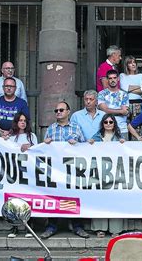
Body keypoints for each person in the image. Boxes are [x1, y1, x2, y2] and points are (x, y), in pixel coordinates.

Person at [40, 101, 90, 239]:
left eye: (61, 110)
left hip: (72, 171)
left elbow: (85, 148)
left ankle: (77, 226)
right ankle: (51, 226)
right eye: (56, 111)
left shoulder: (76, 128)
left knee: (73, 196)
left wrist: (78, 144)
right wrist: (46, 143)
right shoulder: (51, 128)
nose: (58, 112)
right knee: (54, 196)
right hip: (56, 170)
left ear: (68, 111)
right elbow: (44, 150)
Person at [88, 114, 127, 237]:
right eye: (106, 122)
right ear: (103, 124)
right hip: (100, 172)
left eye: (111, 122)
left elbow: (126, 153)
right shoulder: (96, 137)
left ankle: (116, 229)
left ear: (114, 123)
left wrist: (123, 144)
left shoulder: (120, 137)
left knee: (115, 200)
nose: (108, 124)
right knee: (100, 200)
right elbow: (88, 150)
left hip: (115, 173)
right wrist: (89, 143)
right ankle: (100, 228)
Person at [5, 112, 38, 238]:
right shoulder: (11, 137)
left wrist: (30, 147)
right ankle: (14, 227)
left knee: (29, 199)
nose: (22, 122)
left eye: (24, 120)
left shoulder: (32, 136)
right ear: (16, 122)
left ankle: (29, 227)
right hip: (14, 173)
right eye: (20, 120)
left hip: (28, 172)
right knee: (13, 200)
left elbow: (38, 151)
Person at [97, 69, 130, 140]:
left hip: (122, 129)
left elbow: (125, 111)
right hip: (106, 130)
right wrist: (120, 111)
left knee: (123, 151)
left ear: (118, 79)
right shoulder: (101, 94)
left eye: (114, 78)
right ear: (107, 80)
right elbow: (104, 110)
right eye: (110, 78)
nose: (112, 80)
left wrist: (109, 111)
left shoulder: (124, 94)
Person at [119, 55, 142, 124]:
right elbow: (124, 88)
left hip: (138, 103)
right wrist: (137, 87)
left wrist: (129, 89)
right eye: (130, 63)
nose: (133, 64)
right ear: (127, 65)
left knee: (137, 125)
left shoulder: (141, 76)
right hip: (126, 103)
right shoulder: (122, 75)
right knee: (125, 124)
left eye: (134, 62)